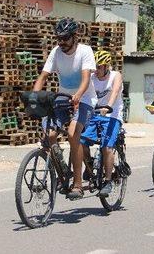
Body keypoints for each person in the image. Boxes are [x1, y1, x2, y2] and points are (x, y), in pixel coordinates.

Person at [33, 17, 97, 200]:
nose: (61, 42)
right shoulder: (56, 52)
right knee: (50, 135)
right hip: (64, 98)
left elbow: (85, 79)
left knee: (72, 134)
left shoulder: (85, 51)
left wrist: (78, 95)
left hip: (84, 99)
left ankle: (77, 184)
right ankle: (63, 171)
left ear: (74, 36)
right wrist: (35, 96)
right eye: (58, 38)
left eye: (65, 38)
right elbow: (43, 76)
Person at [80, 49, 124, 198]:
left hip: (112, 115)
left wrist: (108, 106)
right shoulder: (91, 78)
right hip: (94, 115)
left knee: (106, 146)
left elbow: (115, 91)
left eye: (99, 67)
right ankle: (90, 164)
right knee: (81, 142)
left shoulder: (115, 76)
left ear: (106, 67)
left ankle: (108, 181)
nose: (96, 70)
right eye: (95, 67)